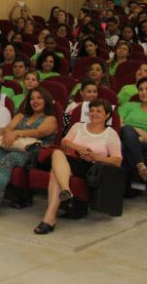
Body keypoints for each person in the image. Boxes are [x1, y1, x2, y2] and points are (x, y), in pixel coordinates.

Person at [0, 87, 58, 217]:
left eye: (39, 98)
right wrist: (9, 133)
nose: (35, 101)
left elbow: (39, 132)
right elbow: (7, 129)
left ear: (46, 100)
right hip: (10, 145)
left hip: (31, 151)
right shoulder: (21, 116)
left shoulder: (51, 119)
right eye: (32, 99)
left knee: (6, 161)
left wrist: (17, 132)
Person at [34, 99, 122, 234]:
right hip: (71, 158)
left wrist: (96, 157)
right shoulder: (78, 126)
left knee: (55, 171)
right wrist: (79, 148)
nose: (94, 113)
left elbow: (117, 160)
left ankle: (51, 216)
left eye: (99, 111)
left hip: (89, 166)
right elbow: (65, 142)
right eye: (92, 111)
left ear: (107, 115)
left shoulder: (110, 134)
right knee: (57, 153)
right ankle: (62, 195)